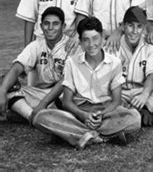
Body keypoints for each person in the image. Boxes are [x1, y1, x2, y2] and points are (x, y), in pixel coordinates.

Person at [32, 17, 141, 149]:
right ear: (80, 42)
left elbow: (116, 101)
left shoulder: (114, 62)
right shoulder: (72, 63)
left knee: (134, 118)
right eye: (86, 40)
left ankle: (78, 134)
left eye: (95, 38)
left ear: (102, 38)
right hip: (79, 113)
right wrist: (83, 115)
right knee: (41, 117)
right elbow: (66, 102)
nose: (91, 44)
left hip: (106, 112)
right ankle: (101, 136)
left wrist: (102, 115)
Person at [0, 7, 78, 122]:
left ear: (63, 26)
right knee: (4, 84)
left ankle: (33, 115)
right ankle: (34, 117)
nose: (50, 28)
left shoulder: (72, 45)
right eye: (46, 24)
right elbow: (16, 68)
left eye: (55, 24)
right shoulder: (37, 45)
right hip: (41, 94)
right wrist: (2, 91)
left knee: (70, 94)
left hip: (63, 95)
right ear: (41, 26)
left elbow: (67, 80)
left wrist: (43, 103)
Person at [107, 6, 153, 126]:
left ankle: (135, 113)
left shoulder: (151, 46)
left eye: (139, 26)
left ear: (144, 28)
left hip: (140, 91)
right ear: (123, 26)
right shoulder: (113, 45)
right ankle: (145, 113)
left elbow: (151, 76)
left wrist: (144, 95)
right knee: (104, 97)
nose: (134, 31)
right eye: (130, 25)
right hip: (120, 93)